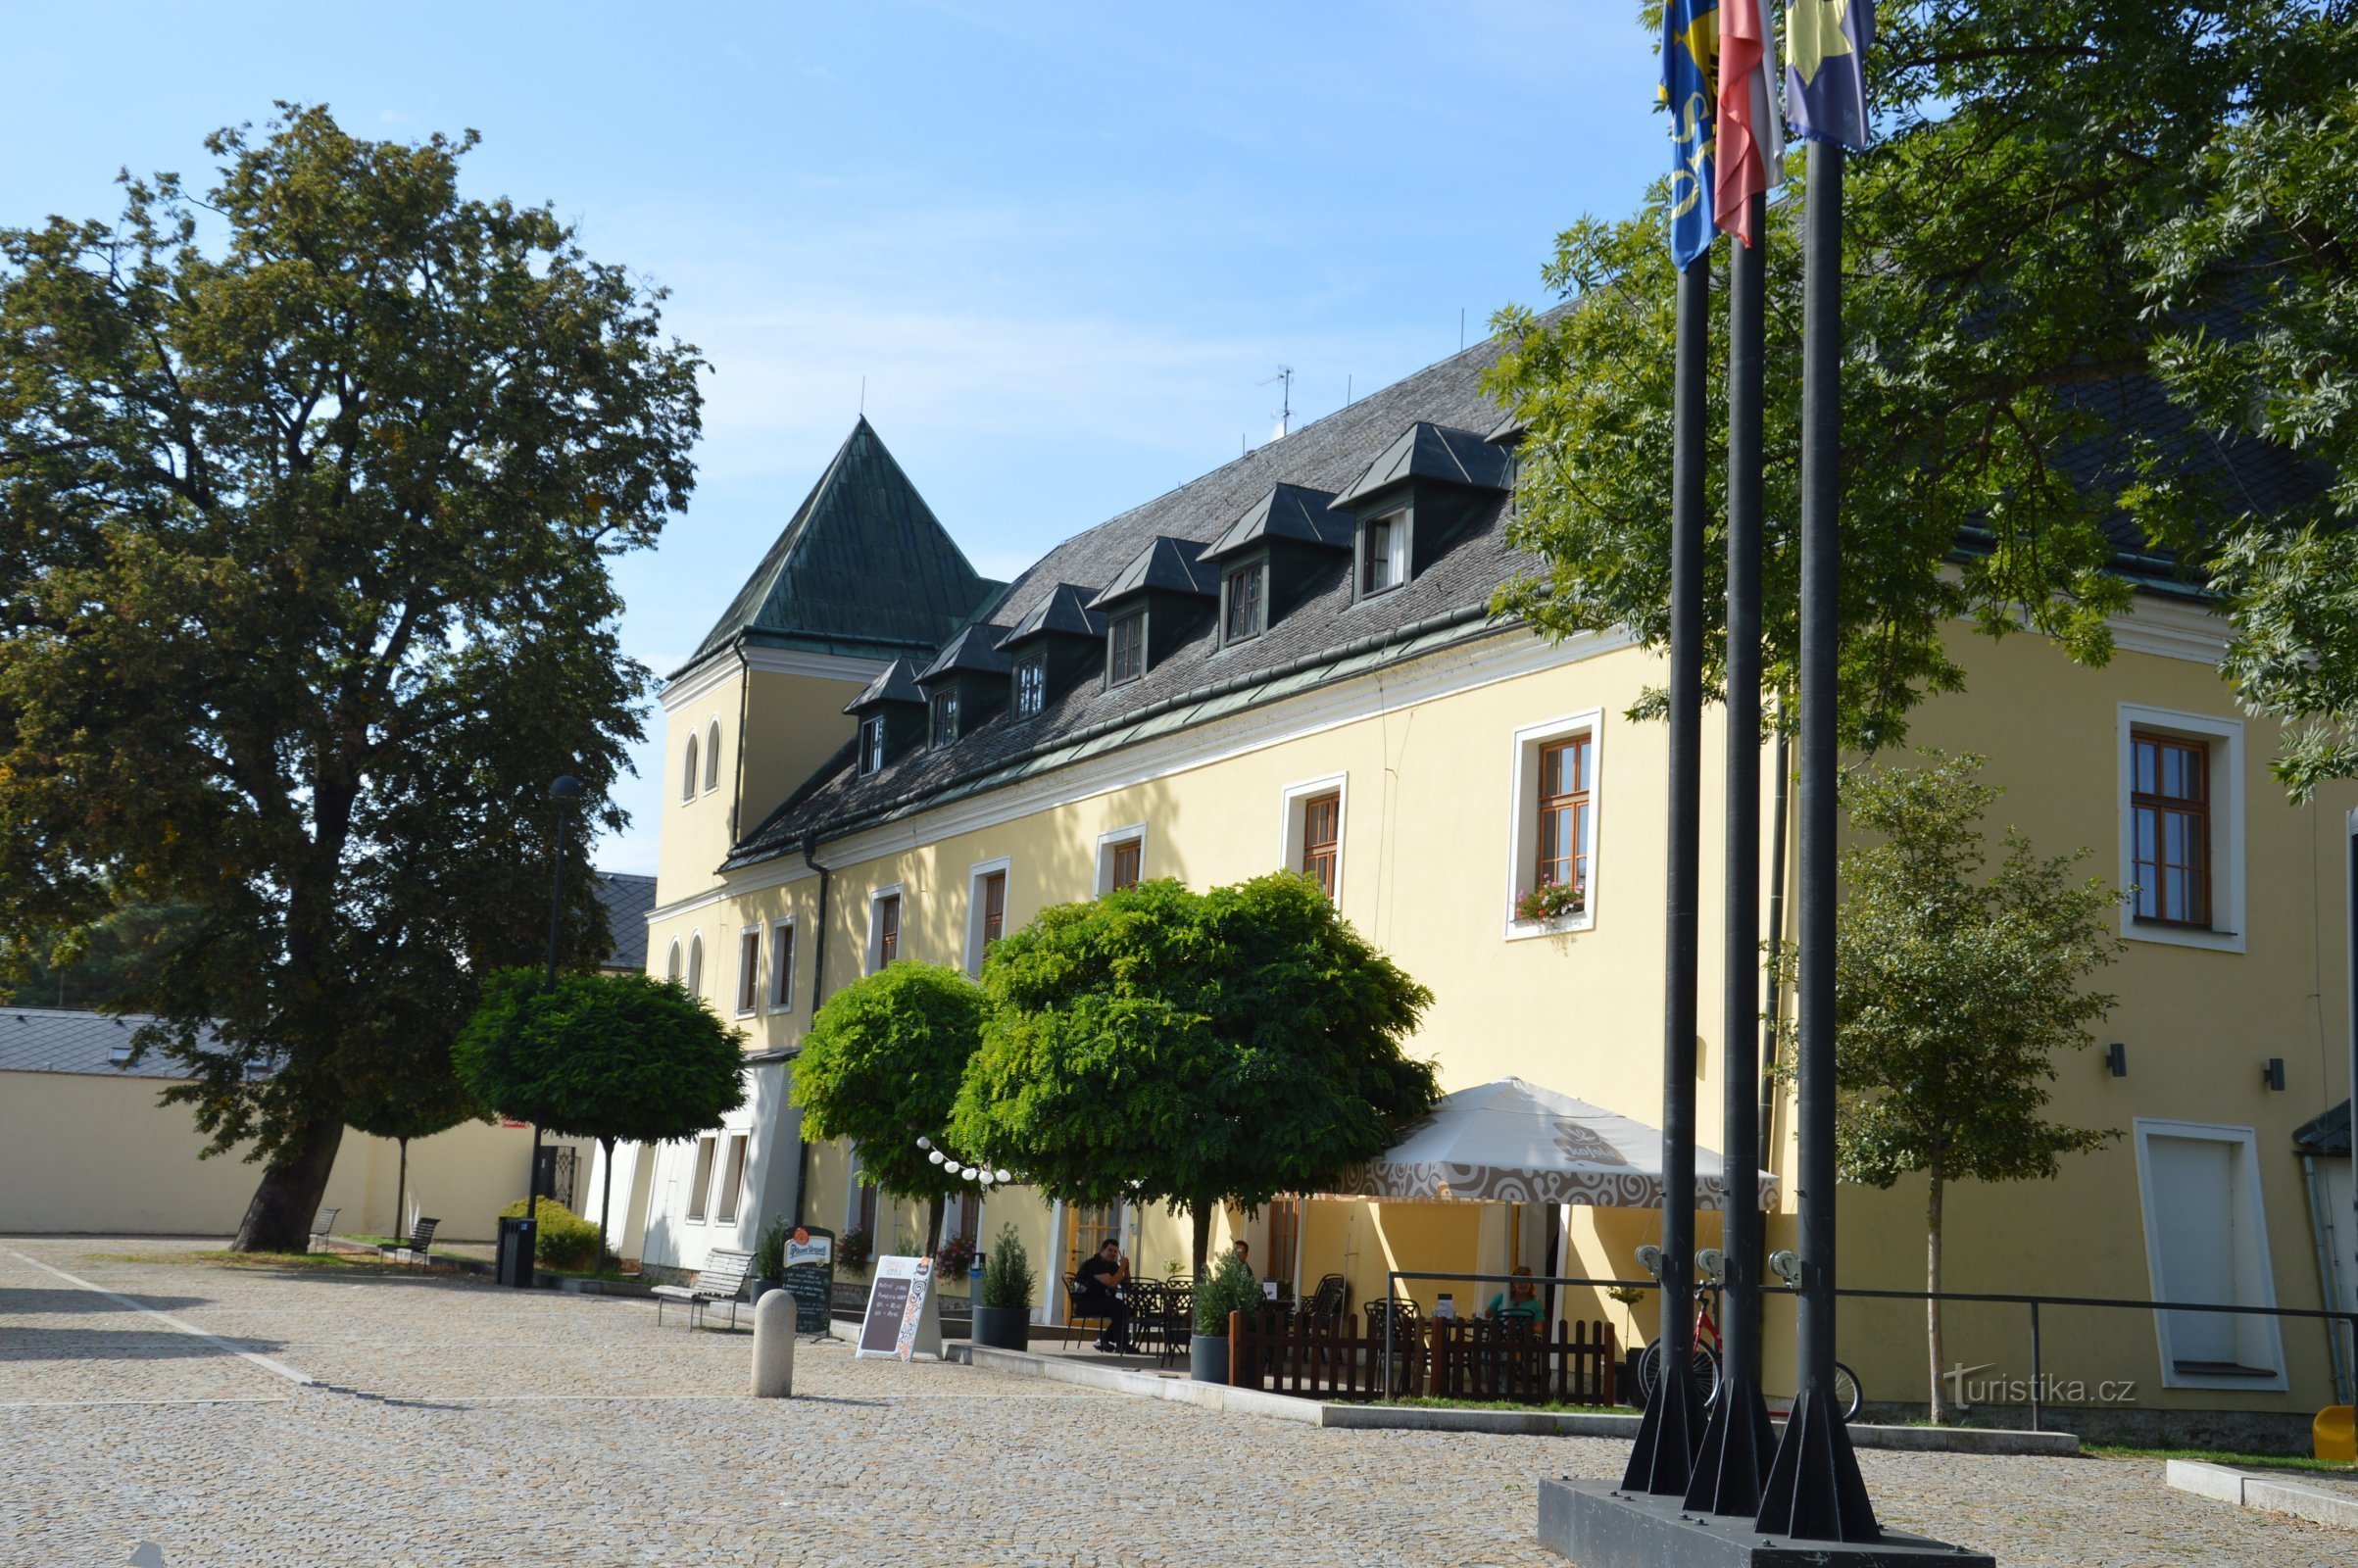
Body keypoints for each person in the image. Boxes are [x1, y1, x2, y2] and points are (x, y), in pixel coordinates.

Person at [1075, 1238, 1132, 1353]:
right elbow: (1111, 1282)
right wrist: (1121, 1268)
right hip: (1086, 1302)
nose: (1113, 1254)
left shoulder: (1112, 1265)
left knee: (1129, 1310)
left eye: (1115, 1251)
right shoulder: (1094, 1264)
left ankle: (1105, 1339)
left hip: (1102, 1301)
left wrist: (1126, 1268)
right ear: (1102, 1250)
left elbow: (1127, 1285)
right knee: (1119, 1306)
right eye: (1110, 1250)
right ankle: (1122, 1345)